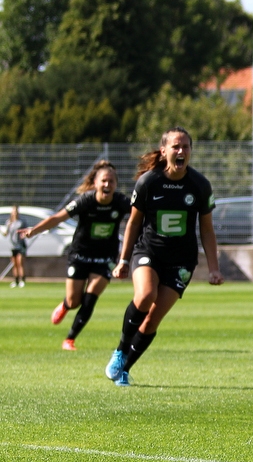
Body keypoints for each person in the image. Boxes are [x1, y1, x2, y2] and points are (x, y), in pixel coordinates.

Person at [105, 127, 223, 387]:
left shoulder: (200, 185)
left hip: (182, 261)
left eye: (186, 147)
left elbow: (206, 228)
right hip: (149, 252)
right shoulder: (149, 182)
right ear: (164, 151)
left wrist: (213, 269)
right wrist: (123, 260)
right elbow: (134, 224)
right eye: (176, 146)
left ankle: (125, 369)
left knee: (153, 318)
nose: (181, 151)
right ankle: (121, 350)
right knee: (145, 296)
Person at [19, 161, 130, 350]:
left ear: (116, 184)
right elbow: (57, 218)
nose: (107, 185)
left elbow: (140, 214)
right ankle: (65, 305)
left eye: (111, 181)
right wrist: (35, 230)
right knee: (74, 300)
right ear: (95, 183)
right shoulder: (85, 201)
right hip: (81, 254)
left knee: (90, 297)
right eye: (103, 181)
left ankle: (69, 339)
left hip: (105, 257)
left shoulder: (121, 202)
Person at [3, 205, 28, 287]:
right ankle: (16, 280)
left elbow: (26, 231)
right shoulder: (9, 222)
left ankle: (22, 280)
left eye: (16, 211)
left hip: (20, 245)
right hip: (12, 246)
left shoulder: (21, 222)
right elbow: (6, 234)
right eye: (13, 211)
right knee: (14, 264)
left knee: (20, 262)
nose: (15, 213)